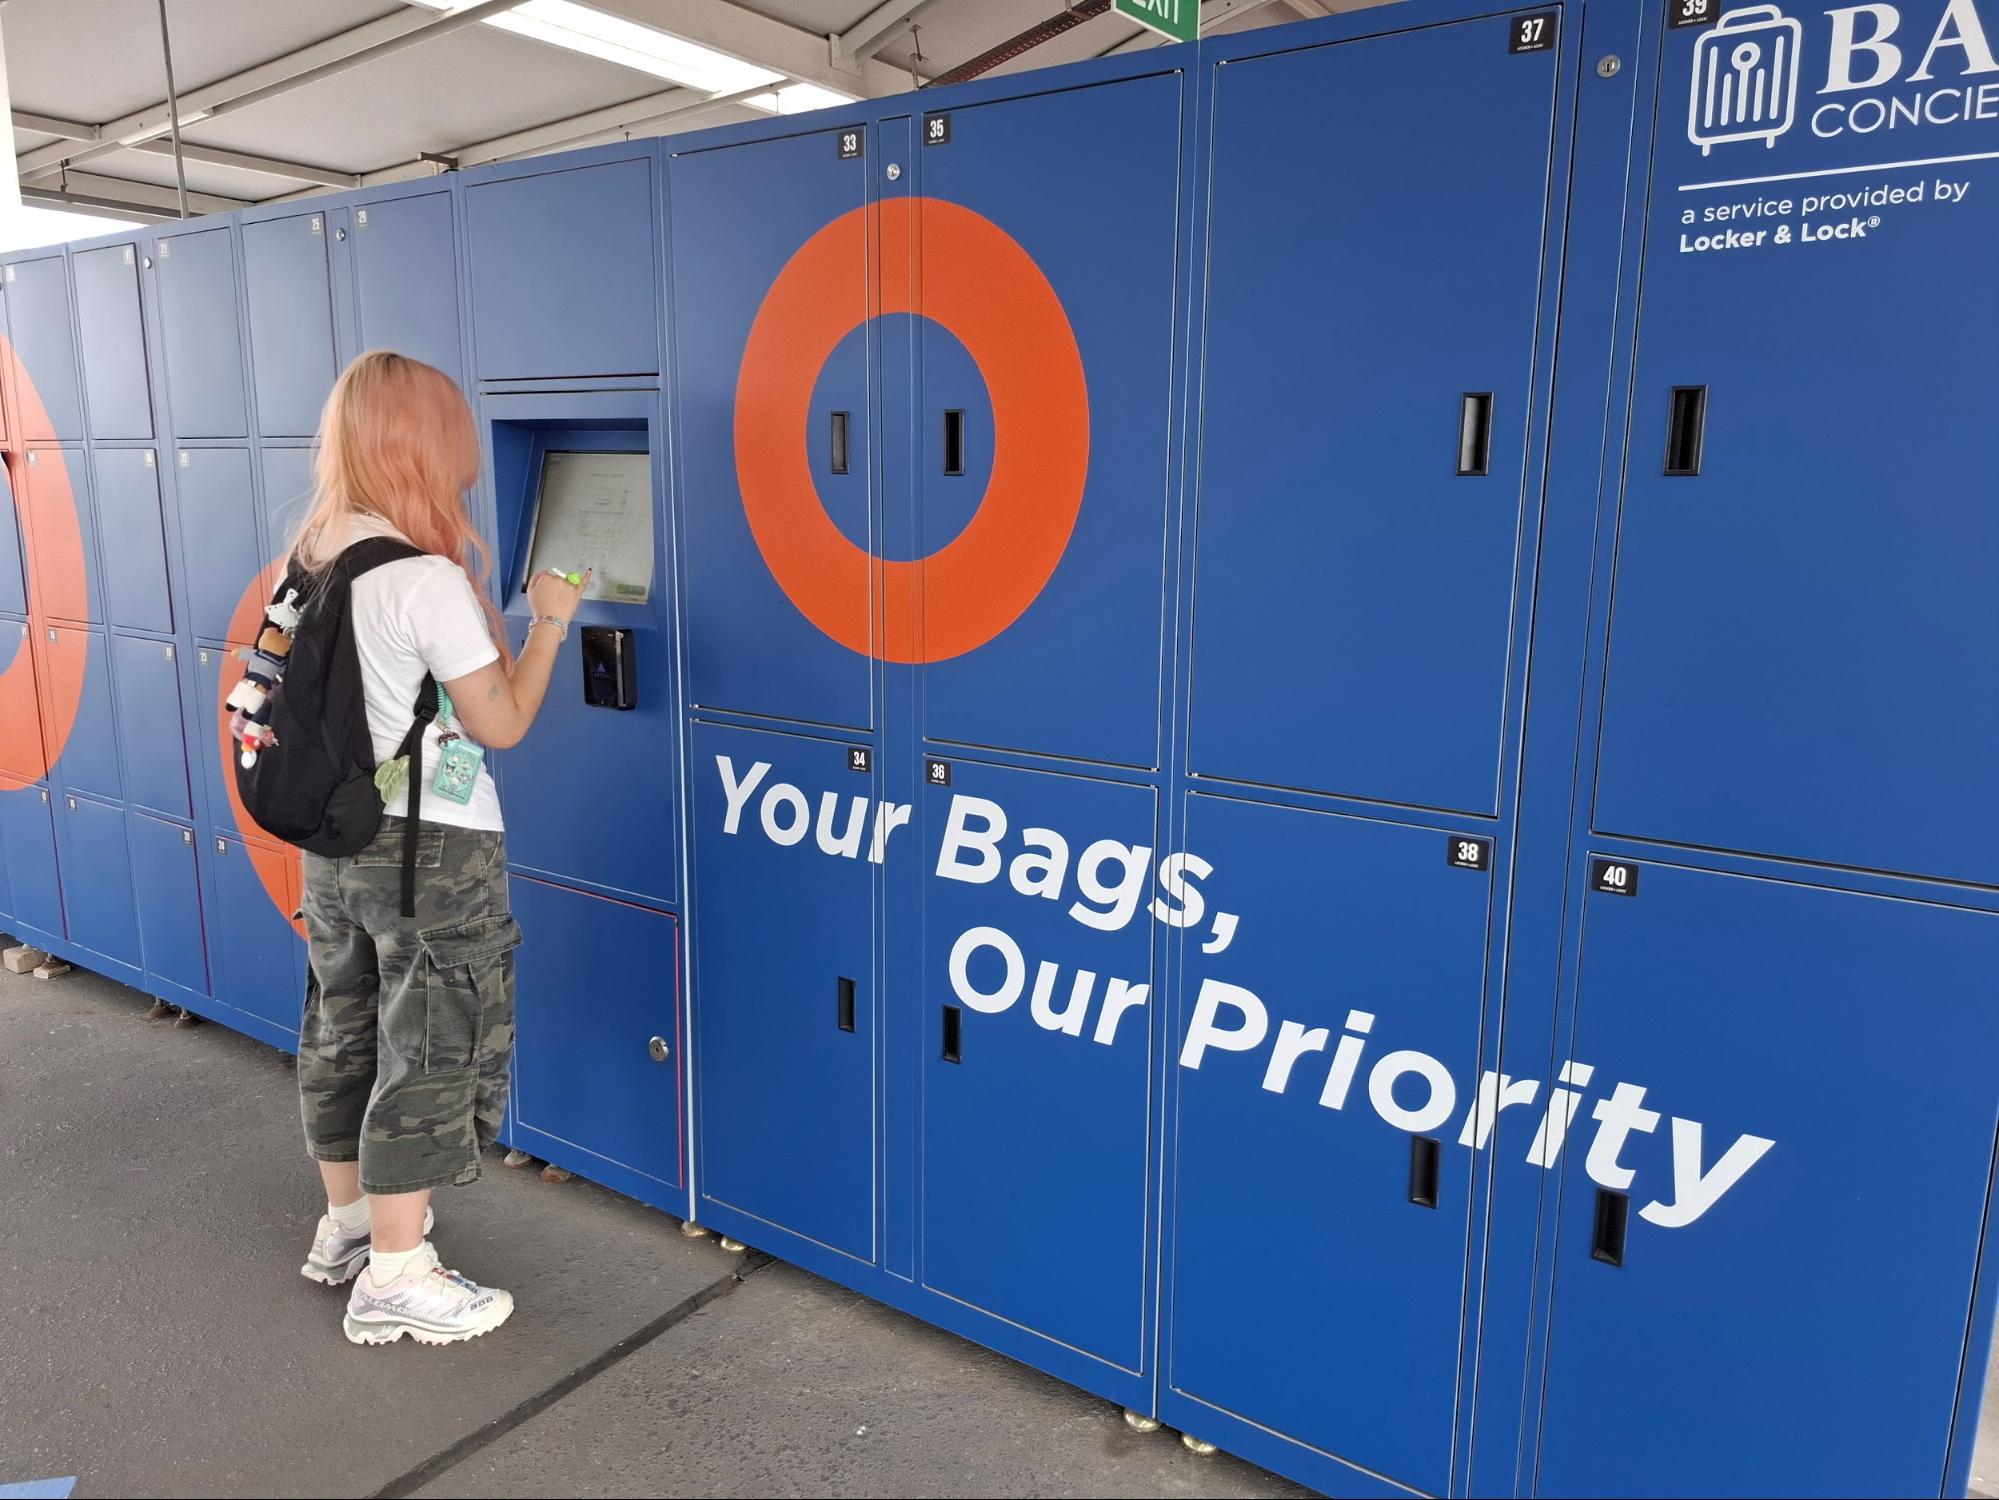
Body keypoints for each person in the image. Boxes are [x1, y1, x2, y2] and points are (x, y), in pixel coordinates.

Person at [283, 351, 588, 1346]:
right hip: (430, 852)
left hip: (335, 844)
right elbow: (498, 725)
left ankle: (349, 1229)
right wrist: (547, 625)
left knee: (346, 1023)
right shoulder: (422, 579)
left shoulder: (317, 553)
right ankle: (399, 1277)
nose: (466, 467)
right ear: (422, 445)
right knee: (436, 1042)